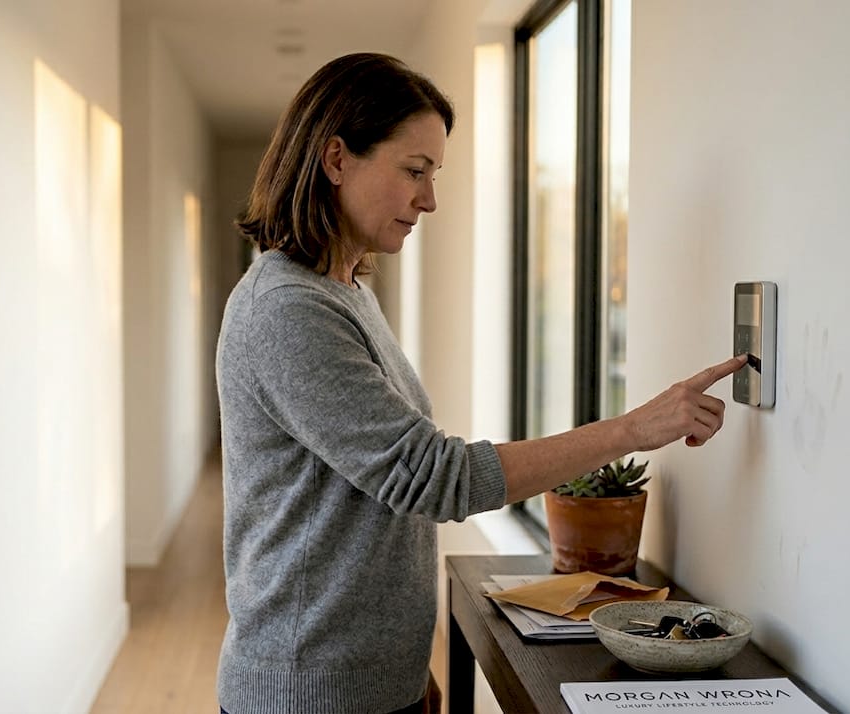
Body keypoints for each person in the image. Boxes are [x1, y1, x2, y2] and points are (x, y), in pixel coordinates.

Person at [215, 52, 746, 714]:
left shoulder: (344, 292)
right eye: (415, 171)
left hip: (365, 685)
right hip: (309, 695)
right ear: (335, 160)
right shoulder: (287, 310)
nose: (429, 199)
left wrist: (407, 669)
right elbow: (434, 477)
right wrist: (636, 429)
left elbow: (376, 498)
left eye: (433, 175)